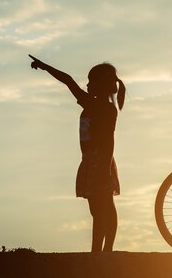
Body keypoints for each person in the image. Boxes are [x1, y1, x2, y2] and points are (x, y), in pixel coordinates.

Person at [29, 56, 126, 252]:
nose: (88, 85)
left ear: (102, 84)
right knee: (96, 209)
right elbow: (68, 81)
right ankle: (99, 250)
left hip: (101, 162)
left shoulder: (107, 109)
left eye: (91, 81)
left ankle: (103, 250)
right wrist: (45, 67)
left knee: (104, 207)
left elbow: (109, 142)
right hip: (90, 161)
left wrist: (104, 168)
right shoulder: (90, 103)